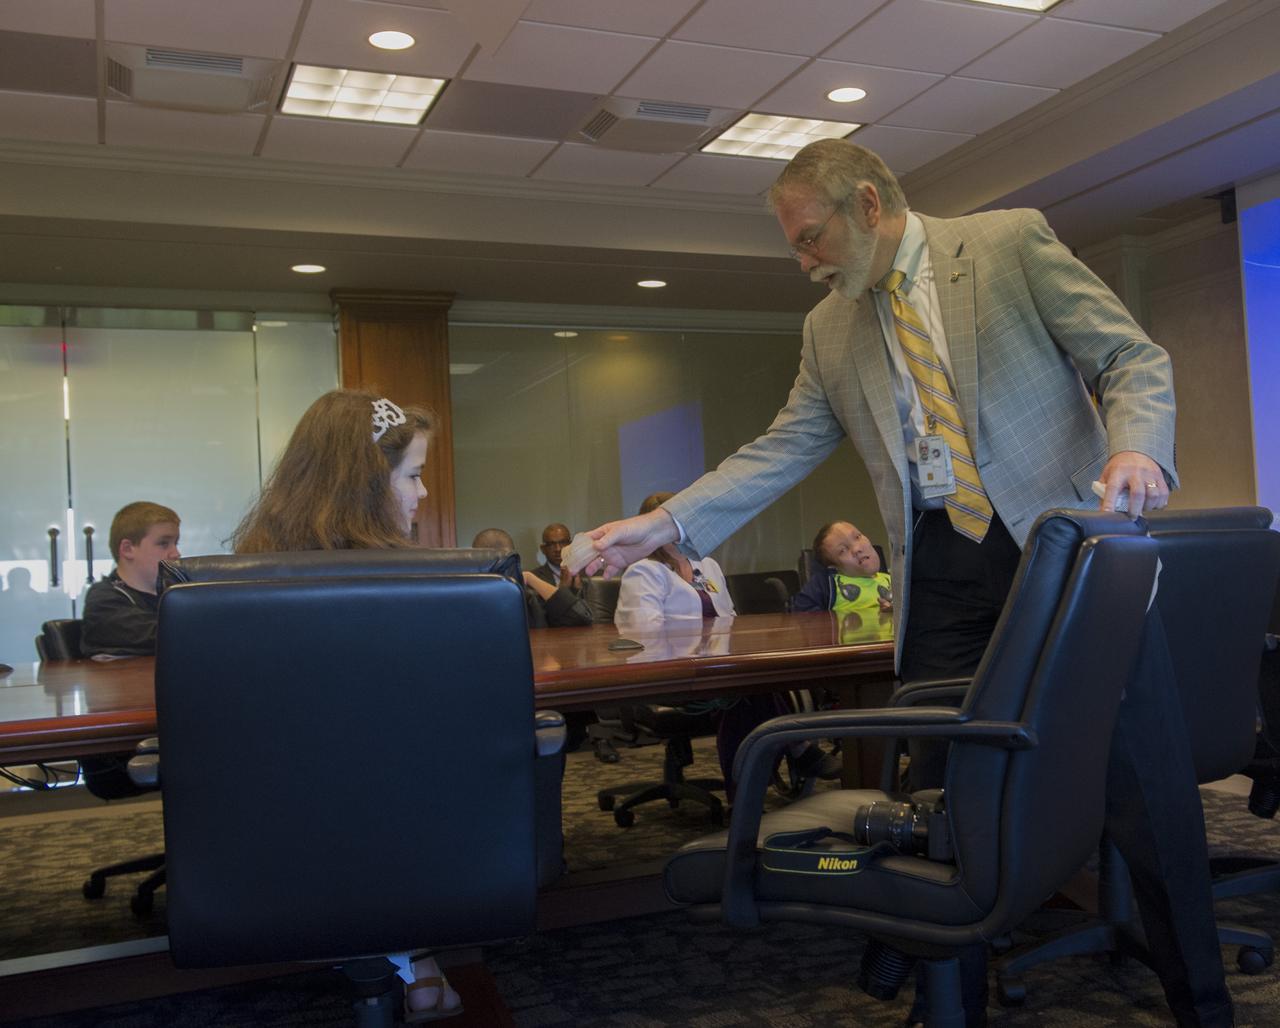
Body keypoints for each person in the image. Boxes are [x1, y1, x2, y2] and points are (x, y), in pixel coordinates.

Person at [568, 140, 1226, 1028]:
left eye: (809, 239)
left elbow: (1130, 358)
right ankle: (942, 993)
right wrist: (663, 524)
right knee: (934, 794)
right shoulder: (828, 326)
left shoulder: (1005, 244)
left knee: (1143, 789)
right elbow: (783, 447)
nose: (803, 264)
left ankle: (1204, 1002)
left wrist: (1136, 442)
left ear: (869, 205)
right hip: (939, 563)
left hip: (1063, 553)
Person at [232, 389, 459, 1023]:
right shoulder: (416, 590)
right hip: (397, 825)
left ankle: (403, 959)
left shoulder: (234, 584)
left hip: (272, 831)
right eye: (412, 476)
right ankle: (409, 956)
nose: (421, 496)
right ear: (362, 486)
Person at [616, 493, 837, 795]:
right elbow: (643, 636)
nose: (676, 534)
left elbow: (728, 617)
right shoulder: (643, 572)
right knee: (745, 694)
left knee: (754, 685)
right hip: (672, 675)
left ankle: (750, 792)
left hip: (717, 669)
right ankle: (788, 759)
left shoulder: (706, 565)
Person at [80, 501, 181, 658]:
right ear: (127, 549)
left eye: (175, 543)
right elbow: (162, 636)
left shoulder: (175, 595)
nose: (176, 553)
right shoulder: (104, 600)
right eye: (163, 543)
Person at [471, 527, 591, 629]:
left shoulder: (525, 595)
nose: (558, 549)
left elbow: (580, 618)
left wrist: (530, 578)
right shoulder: (468, 596)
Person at [793, 520, 892, 615]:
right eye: (843, 551)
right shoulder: (826, 583)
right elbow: (802, 613)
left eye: (857, 537)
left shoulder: (895, 580)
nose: (857, 548)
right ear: (834, 567)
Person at [532, 522, 579, 592]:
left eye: (563, 542)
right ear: (543, 549)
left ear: (571, 545)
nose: (558, 549)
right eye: (551, 544)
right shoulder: (533, 579)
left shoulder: (588, 573)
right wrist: (562, 590)